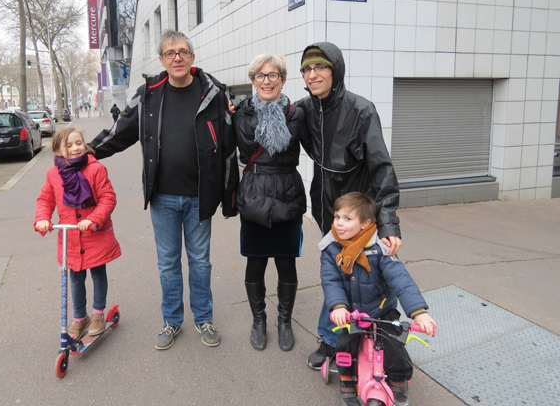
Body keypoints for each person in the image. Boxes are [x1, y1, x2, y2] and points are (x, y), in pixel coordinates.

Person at [88, 30, 239, 350]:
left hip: (201, 196)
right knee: (168, 262)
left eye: (183, 52)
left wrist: (229, 198)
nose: (177, 58)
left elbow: (228, 149)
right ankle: (172, 321)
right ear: (161, 60)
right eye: (170, 53)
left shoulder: (213, 93)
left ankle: (203, 318)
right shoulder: (149, 94)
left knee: (200, 261)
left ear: (192, 57)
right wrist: (86, 152)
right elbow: (120, 132)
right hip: (163, 197)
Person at [295, 43, 403, 370]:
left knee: (377, 276)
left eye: (320, 67)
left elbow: (382, 168)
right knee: (338, 274)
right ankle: (333, 341)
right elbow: (271, 112)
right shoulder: (305, 109)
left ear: (335, 70)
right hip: (328, 212)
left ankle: (382, 337)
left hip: (361, 213)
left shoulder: (361, 110)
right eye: (306, 69)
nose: (312, 74)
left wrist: (387, 223)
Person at [319, 193, 436, 406]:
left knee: (393, 342)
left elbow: (400, 278)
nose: (340, 224)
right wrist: (338, 306)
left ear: (365, 224)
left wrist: (419, 312)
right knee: (345, 343)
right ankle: (346, 378)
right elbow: (330, 281)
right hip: (351, 312)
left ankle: (399, 377)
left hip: (381, 309)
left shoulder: (381, 248)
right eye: (337, 217)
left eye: (347, 218)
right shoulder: (330, 248)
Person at [233, 54, 311, 352]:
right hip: (253, 193)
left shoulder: (296, 113)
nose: (267, 81)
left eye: (273, 75)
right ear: (253, 80)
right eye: (260, 76)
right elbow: (224, 151)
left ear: (282, 79)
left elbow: (318, 148)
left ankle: (284, 320)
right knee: (255, 262)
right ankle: (259, 320)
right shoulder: (240, 113)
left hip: (287, 193)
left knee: (286, 262)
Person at [34, 127, 122, 339]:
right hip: (71, 237)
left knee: (98, 273)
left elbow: (107, 198)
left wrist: (94, 218)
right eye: (69, 145)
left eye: (79, 143)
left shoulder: (95, 168)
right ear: (57, 151)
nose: (75, 148)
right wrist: (43, 219)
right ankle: (80, 317)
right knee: (75, 277)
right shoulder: (53, 174)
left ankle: (98, 314)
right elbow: (45, 199)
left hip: (95, 233)